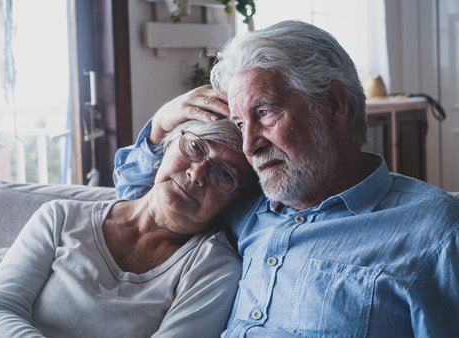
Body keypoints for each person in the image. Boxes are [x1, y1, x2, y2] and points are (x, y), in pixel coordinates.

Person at [113, 20, 459, 337]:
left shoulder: (435, 232)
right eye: (239, 124)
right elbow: (144, 201)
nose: (249, 145)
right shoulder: (244, 207)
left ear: (335, 105)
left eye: (264, 113)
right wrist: (160, 125)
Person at [0, 119, 257, 338]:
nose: (197, 173)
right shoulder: (60, 218)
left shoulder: (213, 267)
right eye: (195, 147)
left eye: (224, 174)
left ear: (235, 200)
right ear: (169, 144)